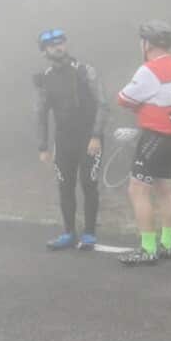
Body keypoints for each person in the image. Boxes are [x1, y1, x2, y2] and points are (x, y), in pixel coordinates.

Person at [116, 21, 171, 266]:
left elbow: (123, 98)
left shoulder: (149, 70)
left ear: (147, 44)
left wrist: (141, 106)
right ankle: (168, 244)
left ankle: (148, 248)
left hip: (155, 137)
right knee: (165, 190)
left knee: (138, 190)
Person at [33, 28, 108, 251]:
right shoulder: (45, 78)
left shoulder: (85, 70)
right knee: (65, 186)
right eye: (52, 45)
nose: (58, 47)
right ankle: (68, 233)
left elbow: (103, 104)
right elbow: (40, 113)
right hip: (63, 141)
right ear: (45, 51)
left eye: (61, 43)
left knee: (88, 183)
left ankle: (89, 234)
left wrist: (96, 135)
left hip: (89, 138)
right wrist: (43, 146)